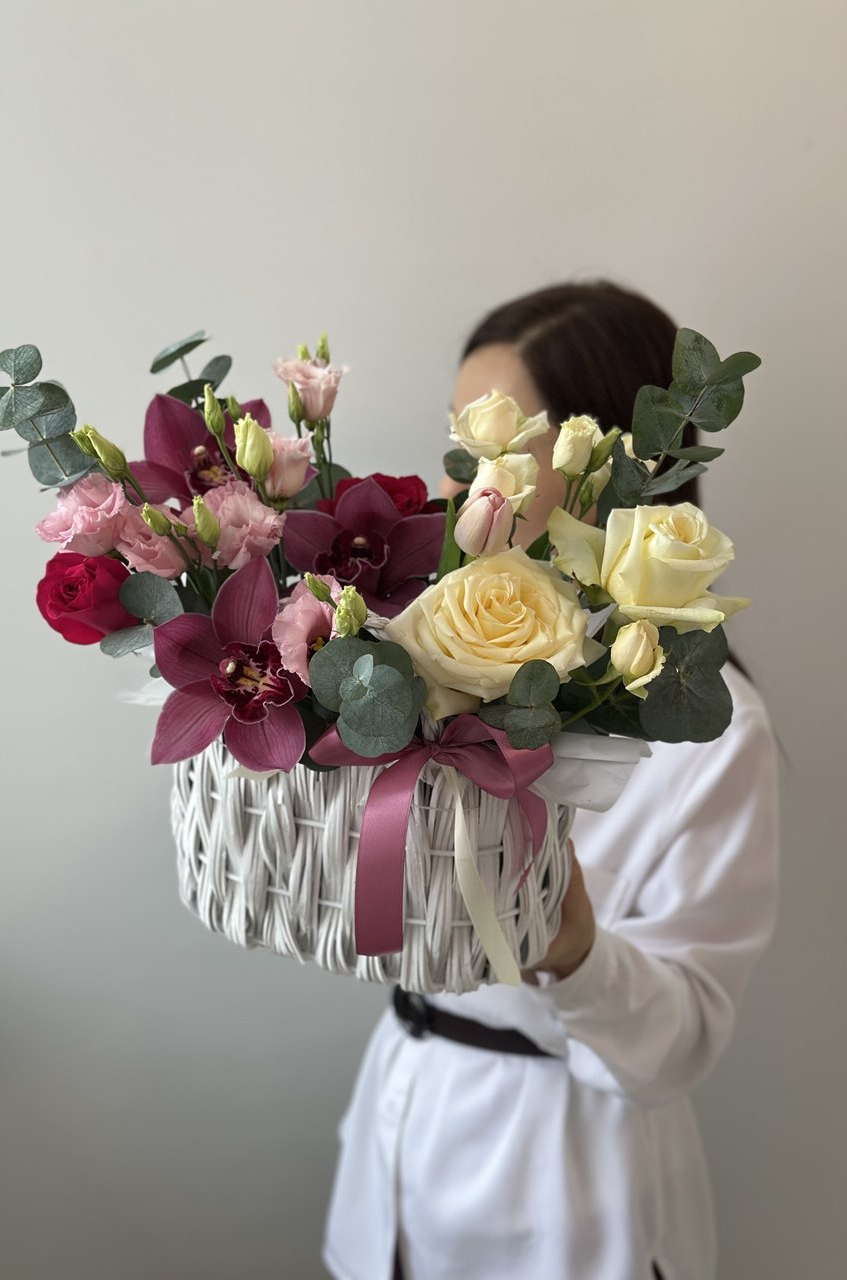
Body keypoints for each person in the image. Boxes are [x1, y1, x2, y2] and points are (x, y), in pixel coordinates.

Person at [321, 281, 780, 1280]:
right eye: (460, 446)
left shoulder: (713, 731)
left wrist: (573, 948)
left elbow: (682, 1042)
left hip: (565, 1185)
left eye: (502, 455)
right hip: (403, 1124)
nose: (464, 489)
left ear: (609, 469)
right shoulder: (434, 662)